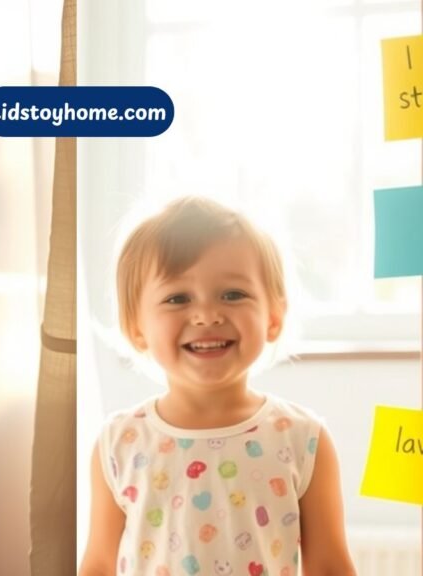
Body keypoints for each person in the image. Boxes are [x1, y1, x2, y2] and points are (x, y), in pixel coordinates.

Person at [79, 197, 356, 576]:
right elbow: (97, 564)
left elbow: (329, 567)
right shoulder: (119, 442)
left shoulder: (303, 439)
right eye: (177, 298)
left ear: (273, 317)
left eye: (232, 294)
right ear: (137, 327)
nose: (207, 315)